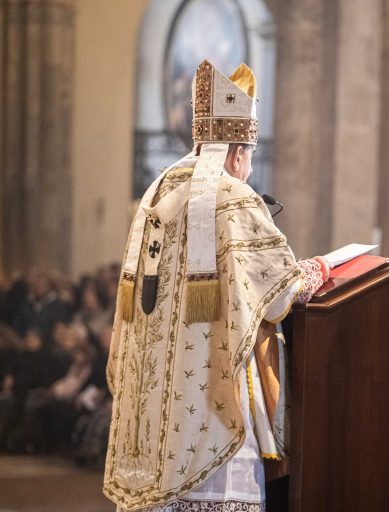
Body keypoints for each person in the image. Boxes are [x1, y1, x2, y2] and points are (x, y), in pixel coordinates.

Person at [104, 60, 330, 512]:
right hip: (207, 395)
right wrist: (320, 269)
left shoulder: (157, 189)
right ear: (239, 150)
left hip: (154, 407)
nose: (246, 168)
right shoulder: (234, 196)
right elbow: (281, 295)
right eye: (247, 154)